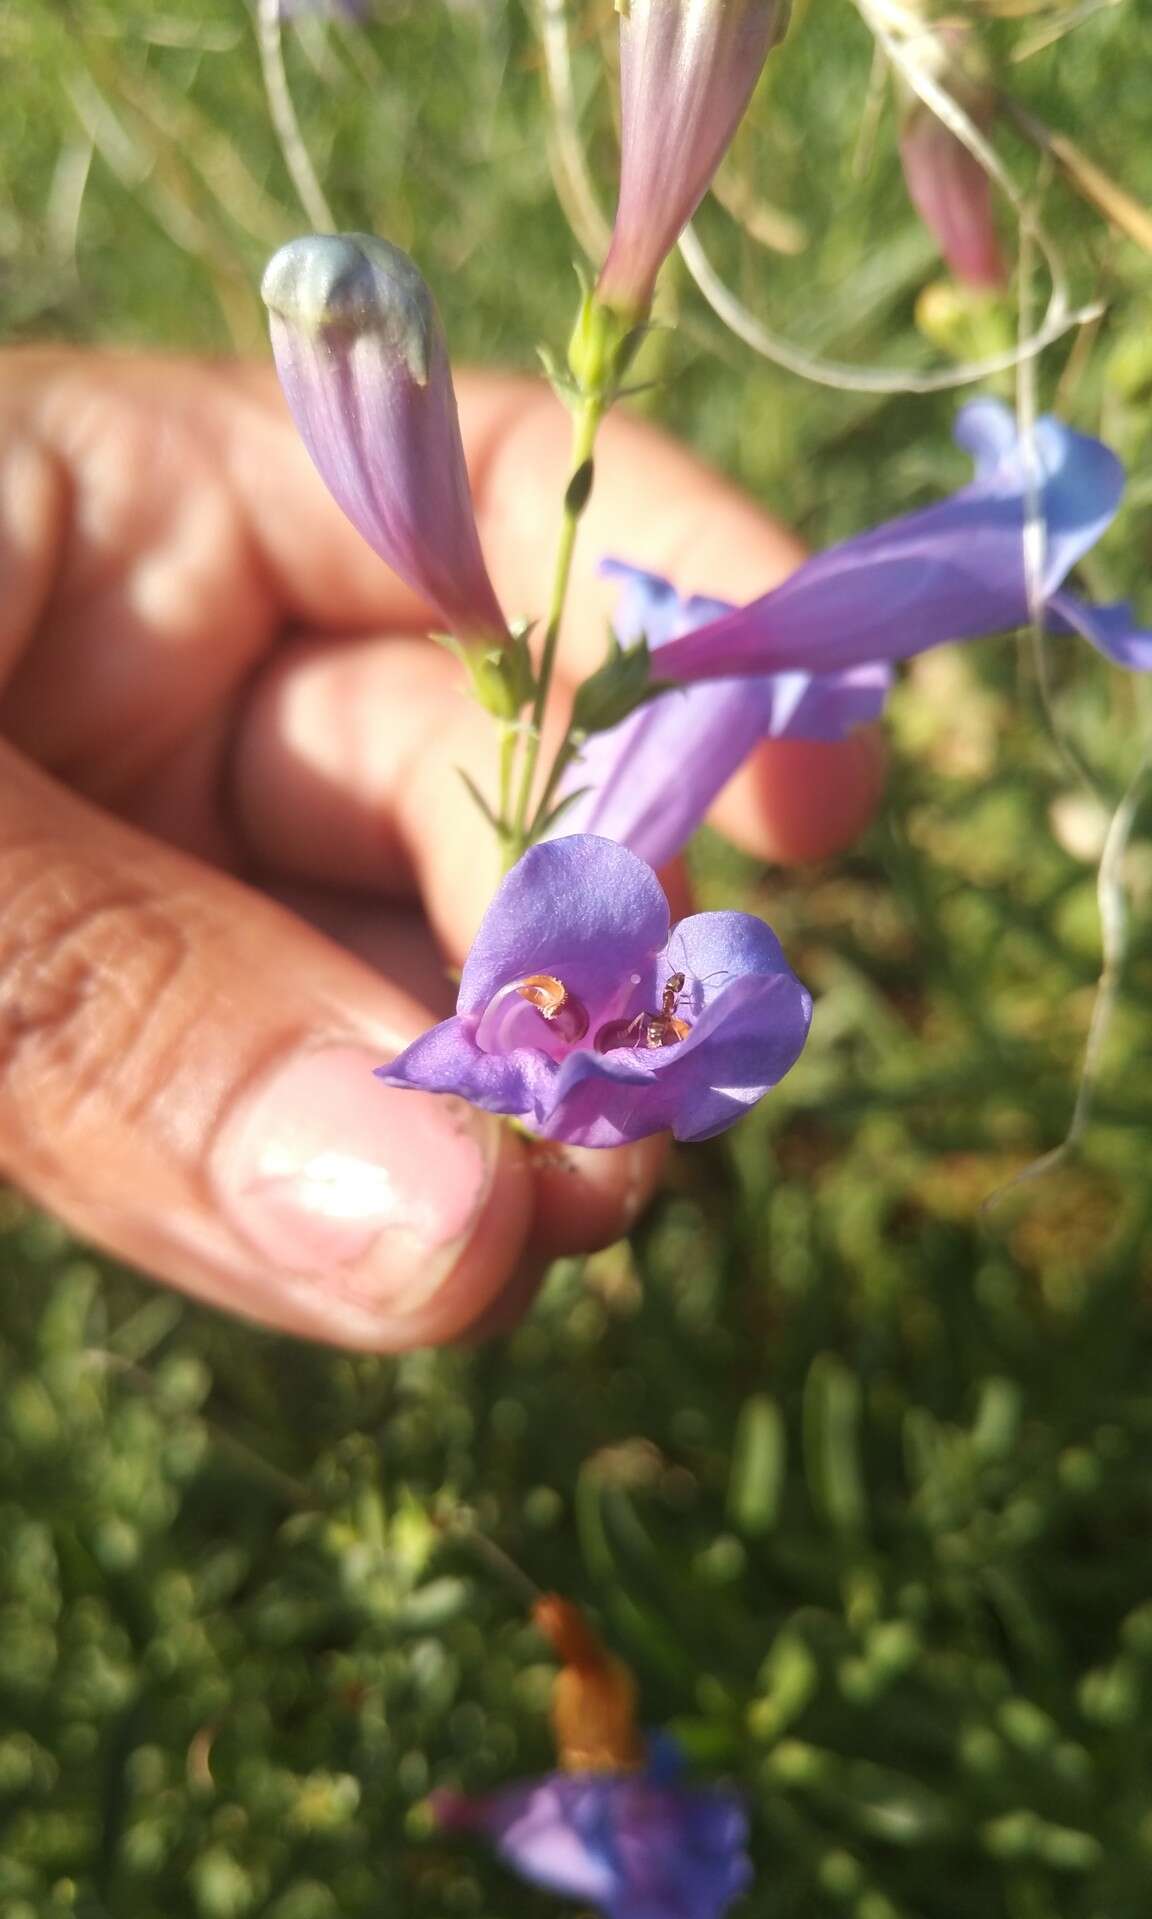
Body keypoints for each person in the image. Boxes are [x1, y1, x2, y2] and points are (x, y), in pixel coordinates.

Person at [0, 352, 883, 1349]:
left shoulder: (538, 1011)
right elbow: (556, 968)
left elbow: (723, 977)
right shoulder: (510, 1019)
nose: (552, 1017)